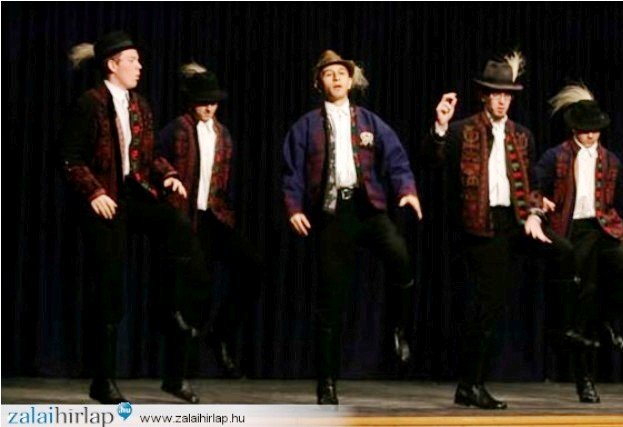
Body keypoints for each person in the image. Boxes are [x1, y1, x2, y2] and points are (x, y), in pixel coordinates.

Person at [62, 31, 201, 403]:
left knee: (177, 224)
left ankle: (167, 310)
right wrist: (94, 192)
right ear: (113, 65)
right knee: (110, 288)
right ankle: (102, 380)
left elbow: (149, 154)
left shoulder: (140, 104)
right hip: (106, 197)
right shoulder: (90, 103)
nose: (139, 67)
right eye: (132, 61)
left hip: (135, 194)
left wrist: (168, 174)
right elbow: (70, 158)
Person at [282, 50, 422, 405]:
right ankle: (327, 383)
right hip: (333, 214)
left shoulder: (370, 122)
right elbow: (291, 172)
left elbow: (397, 160)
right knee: (330, 300)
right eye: (329, 74)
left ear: (350, 80)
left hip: (368, 207)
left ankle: (398, 327)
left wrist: (406, 191)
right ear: (319, 83)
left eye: (341, 73)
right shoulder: (306, 126)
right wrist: (294, 208)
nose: (336, 78)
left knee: (401, 260)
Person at [425, 52, 551, 409]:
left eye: (507, 95)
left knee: (566, 252)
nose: (501, 100)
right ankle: (471, 385)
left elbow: (532, 183)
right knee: (488, 306)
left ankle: (570, 328)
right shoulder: (463, 130)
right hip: (482, 226)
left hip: (517, 222)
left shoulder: (522, 135)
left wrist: (535, 211)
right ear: (484, 96)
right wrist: (440, 126)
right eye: (496, 94)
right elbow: (433, 163)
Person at [535, 83, 623, 403]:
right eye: (586, 129)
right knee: (582, 303)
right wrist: (539, 203)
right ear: (575, 129)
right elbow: (532, 185)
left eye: (596, 129)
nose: (591, 135)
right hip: (573, 231)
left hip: (604, 228)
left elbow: (620, 206)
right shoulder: (557, 156)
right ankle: (585, 379)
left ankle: (608, 318)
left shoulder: (611, 161)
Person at [159, 63, 264, 378]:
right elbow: (154, 156)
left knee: (252, 266)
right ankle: (185, 364)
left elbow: (222, 179)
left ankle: (220, 333)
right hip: (187, 217)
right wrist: (169, 175)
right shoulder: (177, 128)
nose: (208, 107)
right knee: (198, 287)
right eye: (203, 102)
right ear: (191, 101)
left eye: (213, 102)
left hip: (215, 215)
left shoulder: (223, 134)